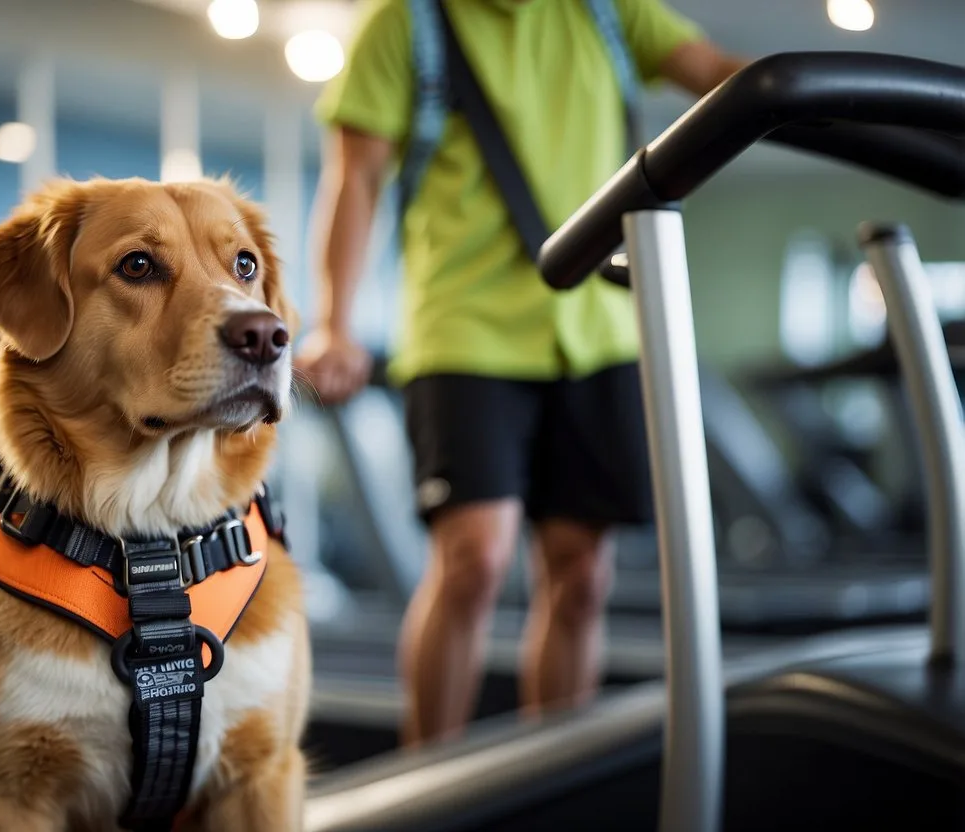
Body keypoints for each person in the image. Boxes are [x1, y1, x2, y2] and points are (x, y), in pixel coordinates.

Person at [297, 0, 749, 748]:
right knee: (473, 560)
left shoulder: (605, 10)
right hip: (464, 328)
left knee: (581, 574)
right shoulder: (406, 24)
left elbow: (711, 73)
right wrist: (335, 322)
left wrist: (802, 96)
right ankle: (429, 777)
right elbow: (356, 180)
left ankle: (553, 773)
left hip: (597, 327)